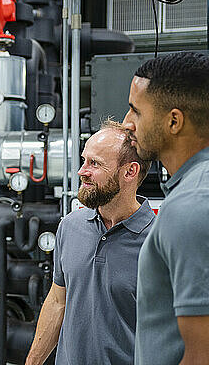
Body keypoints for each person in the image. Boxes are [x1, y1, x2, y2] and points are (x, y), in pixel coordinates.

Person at [123, 52, 209, 365]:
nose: (127, 123)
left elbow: (208, 357)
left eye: (136, 112)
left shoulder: (193, 205)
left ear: (174, 121)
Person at [25, 120, 154, 365]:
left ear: (130, 172)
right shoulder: (70, 226)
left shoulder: (159, 242)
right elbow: (57, 301)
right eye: (84, 160)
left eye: (94, 164)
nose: (82, 171)